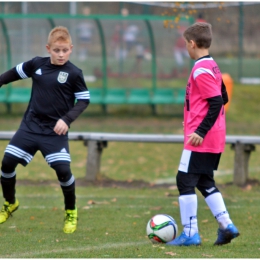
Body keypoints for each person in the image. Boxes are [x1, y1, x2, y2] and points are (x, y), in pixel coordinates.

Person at [0, 26, 90, 234]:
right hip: (30, 127)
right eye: (56, 50)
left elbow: (84, 100)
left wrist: (66, 120)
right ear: (48, 48)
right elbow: (12, 74)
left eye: (65, 50)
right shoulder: (36, 64)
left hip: (54, 133)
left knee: (63, 171)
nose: (61, 54)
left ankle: (71, 212)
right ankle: (10, 203)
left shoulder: (74, 73)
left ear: (71, 49)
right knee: (6, 164)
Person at [166, 22, 239, 246]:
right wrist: (193, 116)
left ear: (192, 43)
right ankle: (226, 225)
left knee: (184, 179)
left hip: (202, 137)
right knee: (205, 180)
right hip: (214, 135)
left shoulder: (200, 69)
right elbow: (223, 96)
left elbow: (217, 102)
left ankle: (190, 233)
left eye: (186, 45)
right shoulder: (212, 65)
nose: (186, 49)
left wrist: (200, 129)